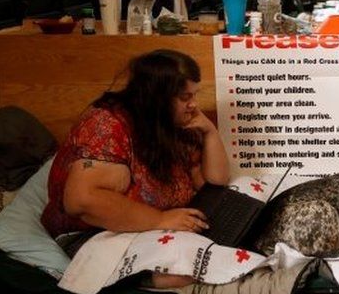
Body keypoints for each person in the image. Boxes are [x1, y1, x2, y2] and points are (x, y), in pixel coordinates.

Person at [41, 49, 230, 253]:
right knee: (179, 272)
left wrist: (210, 131)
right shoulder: (107, 125)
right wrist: (161, 220)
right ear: (158, 99)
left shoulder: (173, 123)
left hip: (157, 228)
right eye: (185, 97)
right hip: (96, 233)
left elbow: (215, 180)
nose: (193, 104)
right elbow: (82, 200)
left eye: (195, 95)